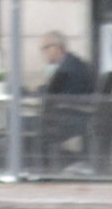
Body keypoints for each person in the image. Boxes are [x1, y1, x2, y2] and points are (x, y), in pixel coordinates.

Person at [38, 30, 97, 168]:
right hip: (77, 116)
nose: (44, 52)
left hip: (71, 117)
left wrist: (36, 90)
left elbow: (52, 93)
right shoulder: (72, 63)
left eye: (45, 48)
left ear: (57, 47)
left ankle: (39, 167)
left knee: (27, 126)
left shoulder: (68, 68)